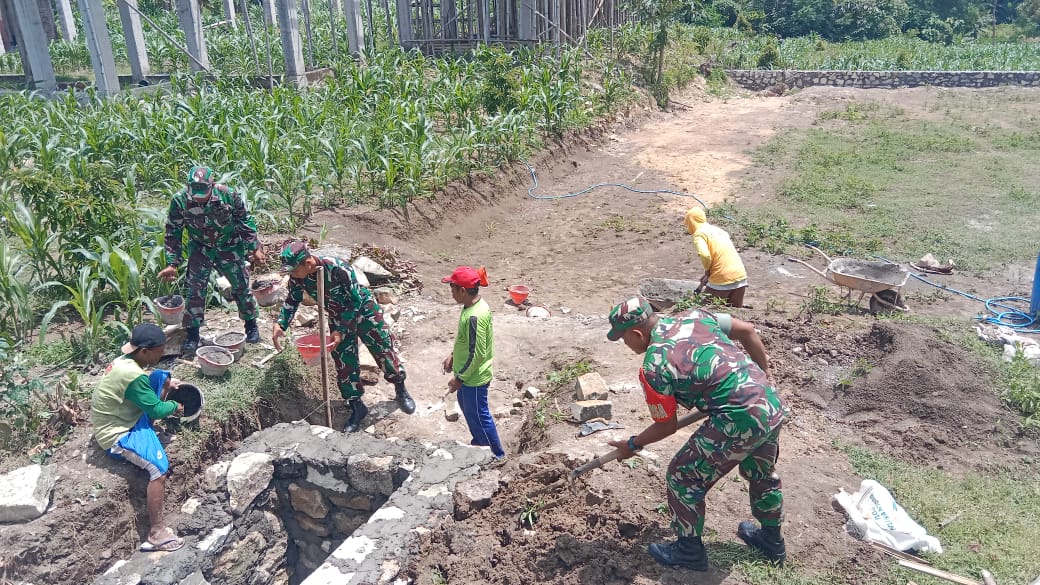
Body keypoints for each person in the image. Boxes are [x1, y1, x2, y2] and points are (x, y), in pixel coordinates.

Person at [605, 296, 786, 570]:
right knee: (761, 472)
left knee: (683, 476)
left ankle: (689, 550)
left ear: (637, 333)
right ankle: (772, 542)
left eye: (623, 339)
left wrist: (632, 444)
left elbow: (666, 425)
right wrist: (761, 377)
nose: (625, 345)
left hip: (738, 417)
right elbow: (747, 330)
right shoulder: (695, 316)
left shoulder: (654, 366)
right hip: (769, 404)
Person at [271, 241, 416, 432]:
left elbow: (355, 301)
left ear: (307, 263)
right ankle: (357, 406)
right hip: (337, 316)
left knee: (383, 351)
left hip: (364, 312)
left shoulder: (337, 268)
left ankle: (400, 389)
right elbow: (292, 299)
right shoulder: (298, 277)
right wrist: (281, 323)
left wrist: (341, 329)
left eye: (294, 270)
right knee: (344, 363)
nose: (292, 275)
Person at [91, 324, 185, 552]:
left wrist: (166, 386)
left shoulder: (125, 361)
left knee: (162, 376)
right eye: (159, 351)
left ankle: (148, 432)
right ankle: (156, 533)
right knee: (159, 468)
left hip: (123, 415)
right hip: (117, 433)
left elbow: (144, 390)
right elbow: (156, 410)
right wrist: (174, 405)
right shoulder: (133, 376)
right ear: (143, 351)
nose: (162, 354)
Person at [159, 166, 267, 356]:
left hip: (229, 245)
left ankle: (251, 326)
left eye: (203, 191)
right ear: (188, 186)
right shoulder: (180, 200)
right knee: (194, 291)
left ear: (213, 185)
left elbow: (245, 220)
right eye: (195, 191)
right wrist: (172, 263)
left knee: (240, 286)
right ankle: (192, 335)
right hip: (201, 248)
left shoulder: (228, 195)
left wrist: (254, 248)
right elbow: (173, 232)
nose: (199, 197)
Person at [441, 266, 505, 459]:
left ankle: (496, 456)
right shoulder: (473, 306)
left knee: (479, 417)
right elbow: (466, 341)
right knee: (469, 410)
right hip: (469, 376)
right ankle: (479, 442)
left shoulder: (474, 317)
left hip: (473, 379)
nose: (451, 292)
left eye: (452, 288)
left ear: (462, 290)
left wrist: (459, 378)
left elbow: (477, 354)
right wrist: (453, 355)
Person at [684, 207, 748, 308]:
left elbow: (705, 255)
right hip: (741, 276)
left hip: (722, 279)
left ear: (691, 222)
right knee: (733, 314)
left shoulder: (699, 234)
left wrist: (707, 270)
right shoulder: (719, 230)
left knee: (704, 313)